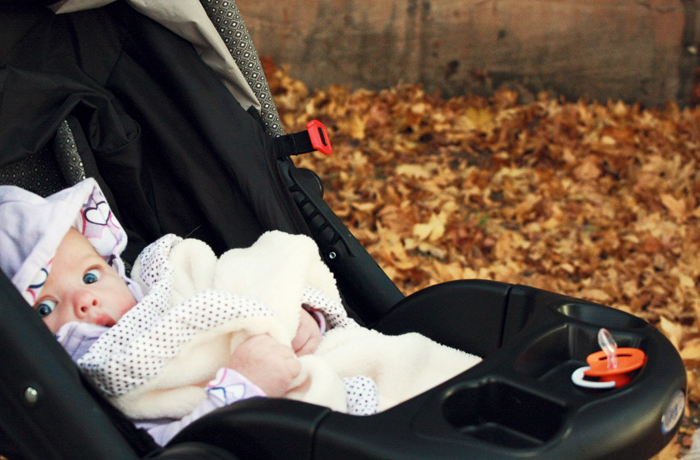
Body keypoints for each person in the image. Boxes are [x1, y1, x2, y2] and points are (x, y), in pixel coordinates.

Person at [0, 178, 481, 445]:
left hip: (317, 364)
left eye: (90, 277)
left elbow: (252, 273)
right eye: (45, 306)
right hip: (278, 425)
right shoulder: (96, 385)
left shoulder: (163, 283)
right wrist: (243, 387)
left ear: (111, 264)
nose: (84, 301)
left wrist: (297, 313)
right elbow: (176, 445)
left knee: (409, 370)